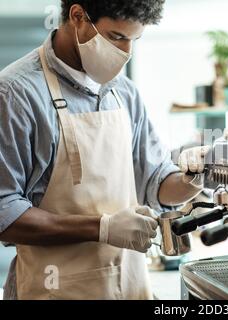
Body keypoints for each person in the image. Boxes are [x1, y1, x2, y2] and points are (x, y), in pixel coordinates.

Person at [0, 0, 208, 300]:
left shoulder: (124, 92)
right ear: (78, 16)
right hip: (53, 290)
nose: (125, 54)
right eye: (116, 37)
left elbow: (157, 184)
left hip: (129, 287)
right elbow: (5, 213)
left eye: (134, 40)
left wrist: (194, 177)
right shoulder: (16, 94)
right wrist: (102, 228)